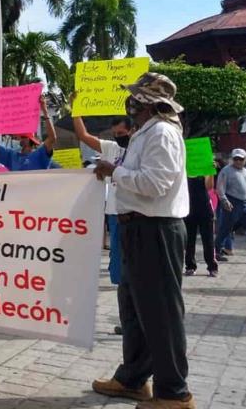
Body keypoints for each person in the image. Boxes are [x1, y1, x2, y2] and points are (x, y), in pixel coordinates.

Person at [90, 72, 193, 409]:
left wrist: (113, 172)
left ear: (147, 102)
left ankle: (174, 393)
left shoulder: (162, 133)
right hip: (138, 229)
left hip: (156, 230)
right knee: (134, 310)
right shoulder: (144, 133)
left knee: (161, 313)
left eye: (135, 98)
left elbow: (154, 184)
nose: (130, 103)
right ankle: (133, 379)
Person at [73, 115, 133, 287]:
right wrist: (76, 112)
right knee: (117, 253)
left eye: (121, 132)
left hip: (135, 210)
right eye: (115, 133)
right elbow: (84, 136)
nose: (118, 136)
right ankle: (122, 286)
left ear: (131, 130)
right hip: (115, 211)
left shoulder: (140, 149)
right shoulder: (111, 148)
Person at [0, 95, 56, 171]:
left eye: (23, 136)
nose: (19, 139)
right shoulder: (12, 155)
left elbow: (52, 138)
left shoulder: (40, 154)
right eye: (19, 136)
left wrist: (45, 111)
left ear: (30, 139)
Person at [185, 174, 218, 277]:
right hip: (188, 207)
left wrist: (209, 172)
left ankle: (212, 267)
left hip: (204, 206)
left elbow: (209, 186)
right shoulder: (185, 167)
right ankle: (190, 266)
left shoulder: (205, 167)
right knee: (189, 239)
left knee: (208, 239)